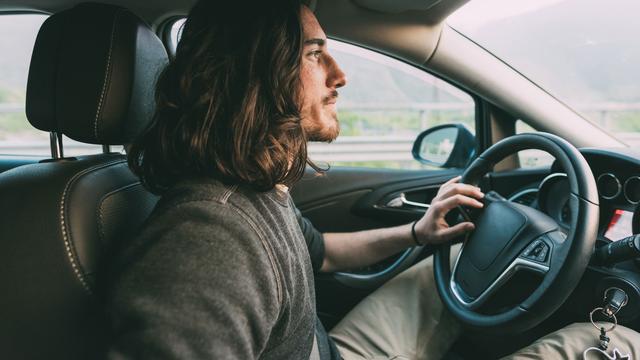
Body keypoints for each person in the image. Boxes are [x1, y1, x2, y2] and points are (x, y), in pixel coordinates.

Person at [106, 0, 640, 359]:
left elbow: (320, 254)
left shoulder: (253, 185)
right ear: (254, 72)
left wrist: (418, 234)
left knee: (446, 266)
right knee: (608, 341)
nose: (340, 75)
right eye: (315, 54)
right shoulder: (208, 239)